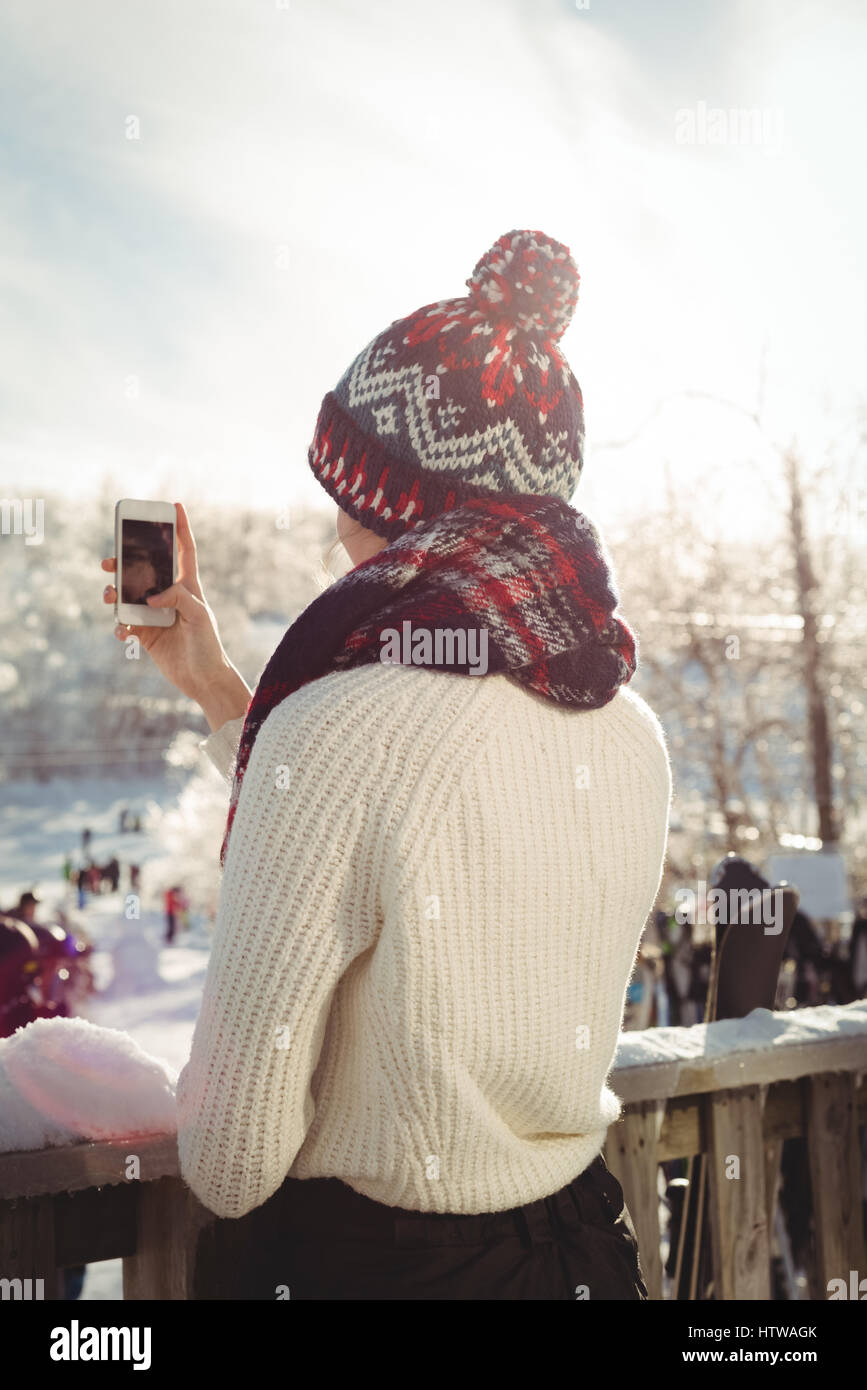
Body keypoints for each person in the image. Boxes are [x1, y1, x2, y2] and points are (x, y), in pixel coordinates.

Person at [102, 230, 671, 1300]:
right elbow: (423, 817)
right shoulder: (625, 725)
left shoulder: (335, 727)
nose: (335, 542)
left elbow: (230, 1160)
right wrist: (228, 694)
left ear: (403, 504)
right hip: (586, 1256)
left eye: (346, 502)